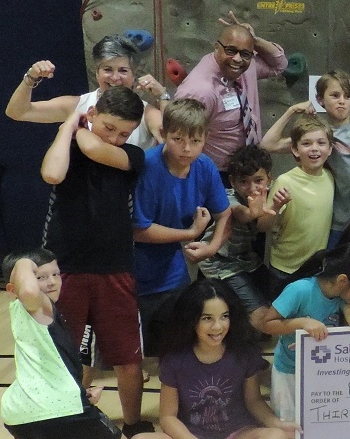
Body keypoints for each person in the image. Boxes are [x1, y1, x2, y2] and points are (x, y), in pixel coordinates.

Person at [0, 250, 128, 439]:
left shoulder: (18, 311)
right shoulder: (36, 304)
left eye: (55, 274)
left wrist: (81, 396)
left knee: (28, 426)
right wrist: (23, 263)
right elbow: (28, 289)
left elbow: (49, 365)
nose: (51, 282)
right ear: (15, 287)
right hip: (57, 407)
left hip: (19, 408)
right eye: (39, 276)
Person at [40, 86, 150, 437]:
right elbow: (53, 174)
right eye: (110, 128)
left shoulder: (132, 155)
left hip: (114, 269)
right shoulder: (67, 146)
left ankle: (133, 423)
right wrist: (68, 124)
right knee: (63, 355)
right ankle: (62, 426)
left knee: (127, 358)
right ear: (93, 116)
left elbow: (92, 146)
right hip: (64, 269)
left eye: (125, 132)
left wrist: (81, 126)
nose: (118, 138)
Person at [127, 279, 294, 439]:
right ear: (191, 321)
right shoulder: (175, 359)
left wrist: (276, 423)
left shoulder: (242, 352)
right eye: (207, 318)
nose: (218, 327)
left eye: (224, 317)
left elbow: (254, 401)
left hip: (237, 436)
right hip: (190, 438)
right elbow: (167, 417)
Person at [132, 99, 232, 355]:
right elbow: (139, 230)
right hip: (135, 272)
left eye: (196, 141)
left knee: (178, 344)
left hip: (174, 272)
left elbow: (225, 213)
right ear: (163, 134)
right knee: (135, 353)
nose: (187, 148)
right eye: (178, 139)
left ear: (205, 138)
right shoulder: (147, 167)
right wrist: (191, 233)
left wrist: (212, 247)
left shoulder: (205, 166)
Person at [263, 70, 350, 247]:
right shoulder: (319, 136)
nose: (342, 101)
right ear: (320, 100)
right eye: (335, 95)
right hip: (337, 223)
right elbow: (268, 145)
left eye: (348, 96)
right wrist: (292, 110)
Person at [260, 244, 350, 422]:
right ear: (343, 280)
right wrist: (302, 322)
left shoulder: (340, 298)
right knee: (289, 427)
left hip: (320, 373)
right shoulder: (301, 290)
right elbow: (266, 324)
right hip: (289, 372)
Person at [174, 11, 289, 174]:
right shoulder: (199, 90)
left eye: (245, 53)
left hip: (247, 166)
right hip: (215, 173)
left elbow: (279, 65)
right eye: (230, 50)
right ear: (216, 48)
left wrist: (254, 40)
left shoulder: (245, 67)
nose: (237, 59)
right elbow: (180, 143)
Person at [6, 34, 165, 149]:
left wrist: (162, 96)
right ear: (97, 73)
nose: (115, 77)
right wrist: (31, 77)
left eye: (123, 71)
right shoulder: (77, 105)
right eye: (107, 69)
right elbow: (18, 112)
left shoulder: (147, 113)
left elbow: (171, 139)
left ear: (133, 75)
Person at [197, 144, 286, 326]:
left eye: (258, 180)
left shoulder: (268, 199)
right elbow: (240, 213)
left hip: (247, 260)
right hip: (219, 262)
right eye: (244, 181)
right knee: (261, 318)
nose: (252, 188)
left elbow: (263, 227)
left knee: (279, 301)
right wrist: (253, 213)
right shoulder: (227, 197)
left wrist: (275, 208)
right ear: (232, 181)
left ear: (269, 179)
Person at [266, 118, 335, 291]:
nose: (314, 148)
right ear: (295, 150)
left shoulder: (329, 177)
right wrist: (274, 207)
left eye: (321, 143)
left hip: (315, 269)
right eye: (306, 143)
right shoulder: (285, 181)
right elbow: (263, 226)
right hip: (284, 269)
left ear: (330, 149)